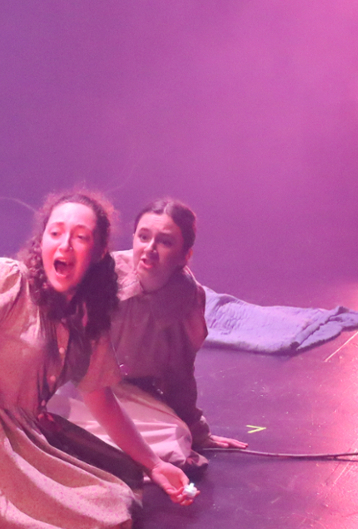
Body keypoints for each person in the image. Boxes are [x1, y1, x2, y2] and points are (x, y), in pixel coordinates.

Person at [0, 191, 196, 529]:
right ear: (41, 241)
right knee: (110, 511)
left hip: (22, 434)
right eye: (56, 233)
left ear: (98, 252)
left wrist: (153, 465)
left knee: (123, 480)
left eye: (80, 237)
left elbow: (101, 400)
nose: (65, 245)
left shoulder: (87, 316)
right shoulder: (9, 281)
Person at [49, 199, 247, 472]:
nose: (150, 249)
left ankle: (93, 451)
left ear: (185, 255)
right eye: (143, 237)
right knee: (53, 415)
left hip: (131, 398)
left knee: (175, 437)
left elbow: (181, 374)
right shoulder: (101, 273)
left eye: (165, 243)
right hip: (81, 388)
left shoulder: (187, 299)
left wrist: (198, 433)